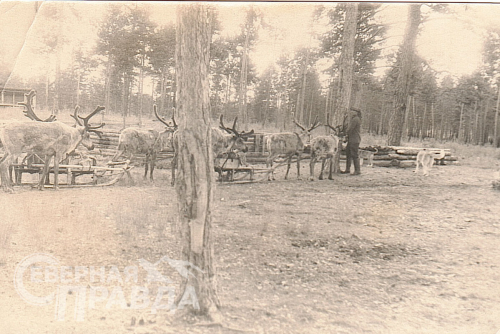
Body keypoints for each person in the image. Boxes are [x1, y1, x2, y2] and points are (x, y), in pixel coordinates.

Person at [341, 107, 362, 175]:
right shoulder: (355, 119)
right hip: (352, 139)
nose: (351, 112)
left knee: (354, 155)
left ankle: (357, 170)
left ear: (356, 112)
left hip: (354, 140)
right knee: (348, 154)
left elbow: (350, 129)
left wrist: (345, 133)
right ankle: (347, 169)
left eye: (352, 111)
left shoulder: (355, 119)